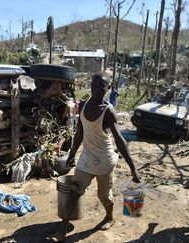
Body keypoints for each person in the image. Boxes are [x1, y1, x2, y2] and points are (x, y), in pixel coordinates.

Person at [51, 71, 141, 242]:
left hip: (105, 160)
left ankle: (109, 217)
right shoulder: (83, 105)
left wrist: (133, 168)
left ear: (108, 88)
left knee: (104, 196)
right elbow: (79, 134)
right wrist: (71, 154)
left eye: (102, 85)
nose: (98, 88)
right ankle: (62, 232)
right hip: (86, 157)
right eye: (95, 84)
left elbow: (119, 140)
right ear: (90, 85)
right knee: (74, 191)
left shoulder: (108, 110)